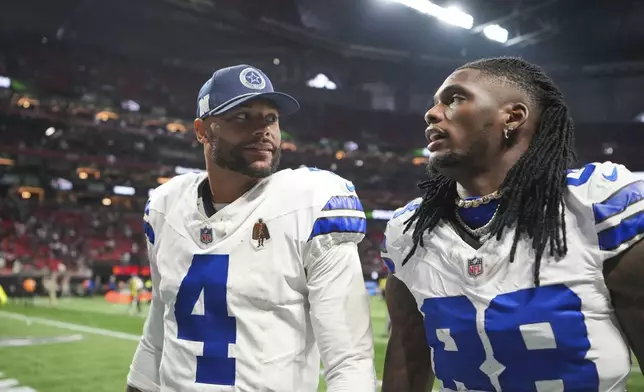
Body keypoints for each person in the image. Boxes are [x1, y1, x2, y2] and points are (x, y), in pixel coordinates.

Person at [381, 57, 644, 391]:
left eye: (455, 99)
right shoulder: (410, 231)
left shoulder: (595, 207)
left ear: (513, 117)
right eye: (434, 104)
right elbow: (408, 362)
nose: (432, 113)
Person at [126, 64, 376, 392]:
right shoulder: (166, 206)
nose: (263, 130)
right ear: (203, 131)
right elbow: (159, 325)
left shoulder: (310, 203)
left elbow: (350, 360)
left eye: (270, 118)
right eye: (242, 117)